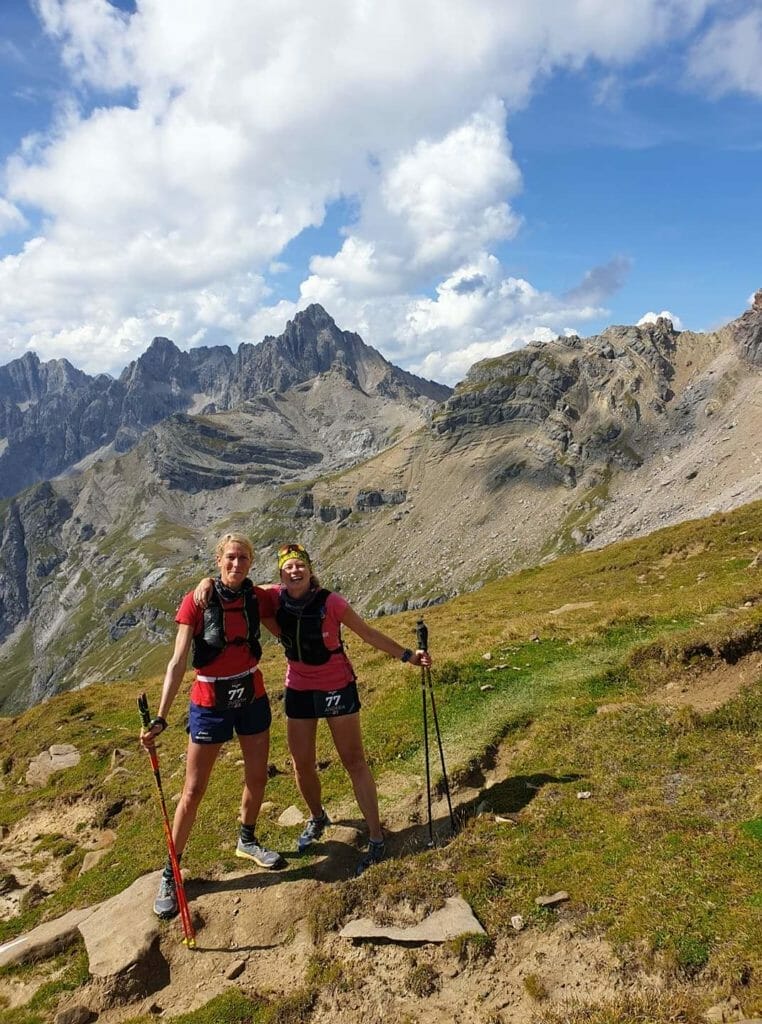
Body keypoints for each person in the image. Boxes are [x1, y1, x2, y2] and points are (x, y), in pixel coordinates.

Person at [194, 541, 431, 875]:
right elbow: (234, 583)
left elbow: (366, 633)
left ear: (309, 569)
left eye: (300, 565)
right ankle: (318, 817)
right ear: (281, 573)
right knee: (301, 764)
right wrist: (205, 582)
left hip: (337, 686)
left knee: (354, 761)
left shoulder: (331, 602)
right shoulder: (274, 596)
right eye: (288, 566)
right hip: (299, 688)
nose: (295, 570)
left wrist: (408, 655)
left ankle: (377, 837)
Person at [140, 532, 280, 919]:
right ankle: (171, 872)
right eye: (231, 558)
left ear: (251, 562)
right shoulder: (196, 600)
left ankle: (247, 841)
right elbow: (177, 662)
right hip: (209, 702)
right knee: (193, 790)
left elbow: (287, 587)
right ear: (219, 559)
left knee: (257, 777)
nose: (237, 565)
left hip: (251, 695)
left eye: (244, 559)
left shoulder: (257, 596)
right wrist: (161, 717)